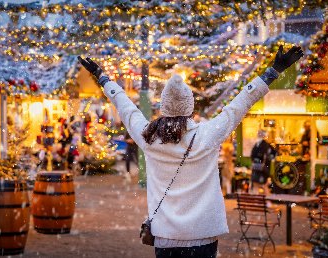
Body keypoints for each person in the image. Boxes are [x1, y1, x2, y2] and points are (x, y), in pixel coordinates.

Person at [78, 45, 303, 258]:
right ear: (190, 107)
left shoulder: (148, 137)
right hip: (202, 236)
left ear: (163, 107)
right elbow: (241, 102)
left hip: (165, 237)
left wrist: (103, 77)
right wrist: (273, 71)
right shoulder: (208, 135)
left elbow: (125, 107)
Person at [250, 129, 277, 194]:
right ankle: (261, 201)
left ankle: (266, 202)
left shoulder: (263, 145)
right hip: (260, 168)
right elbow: (273, 156)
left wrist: (258, 160)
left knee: (262, 185)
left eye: (259, 134)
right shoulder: (260, 144)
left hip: (261, 169)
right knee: (258, 184)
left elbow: (254, 155)